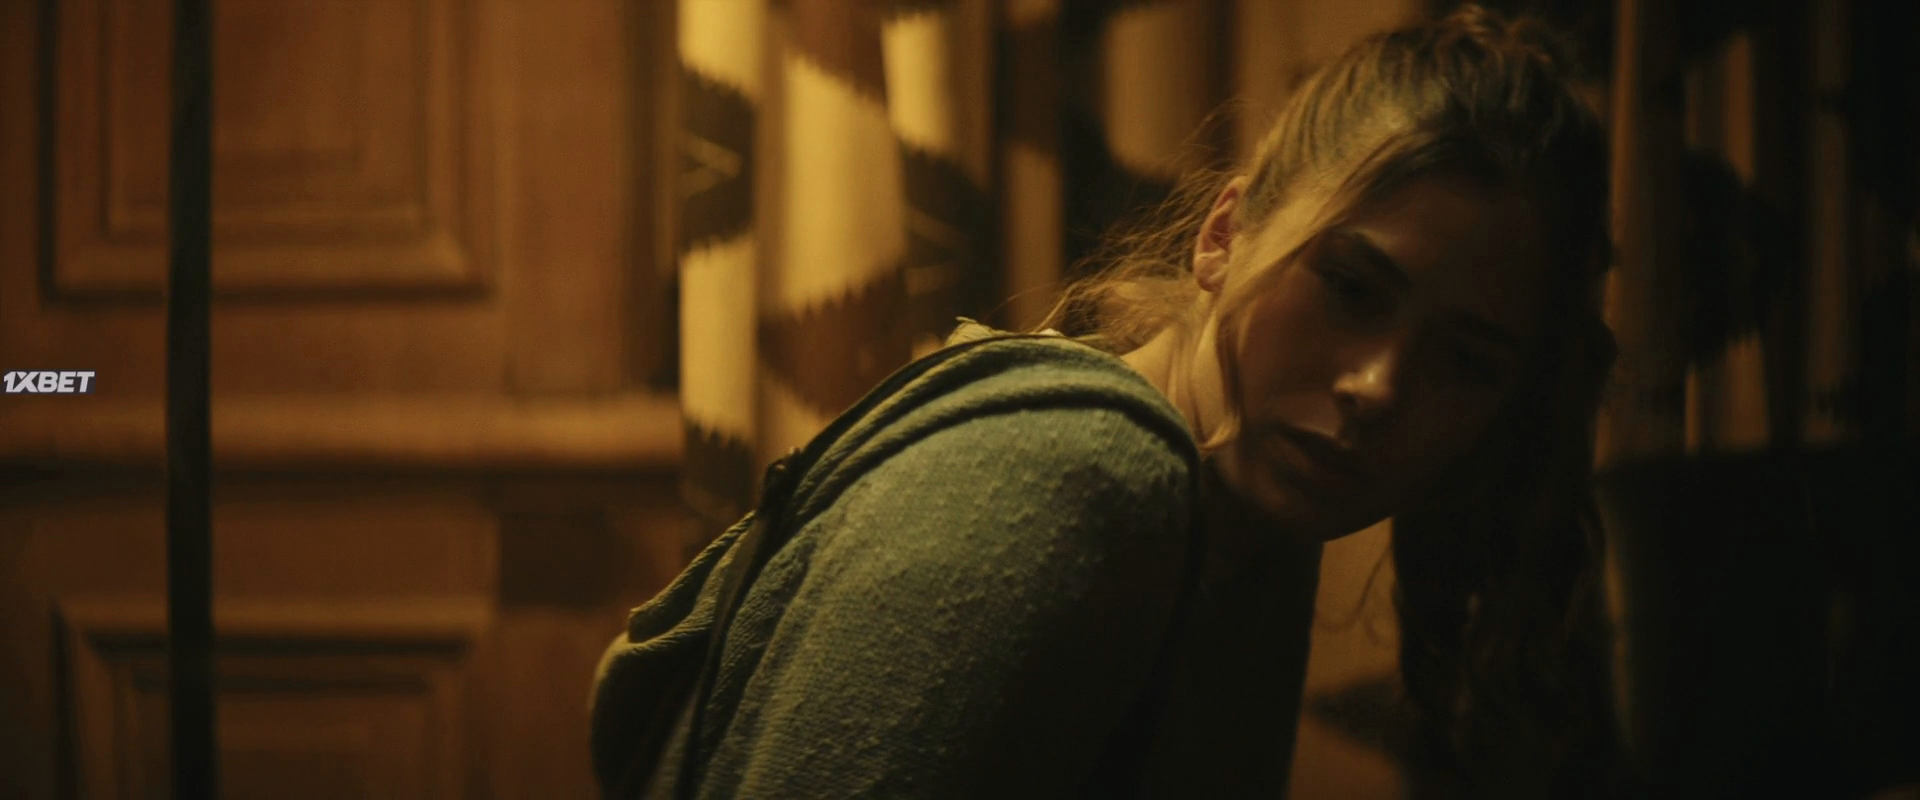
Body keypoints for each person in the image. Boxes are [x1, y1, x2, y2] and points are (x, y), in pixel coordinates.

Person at [592, 5, 1620, 797]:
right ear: (1223, 234)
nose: (1379, 385)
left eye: (1465, 362)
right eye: (1350, 288)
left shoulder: (1249, 513)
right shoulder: (1081, 479)